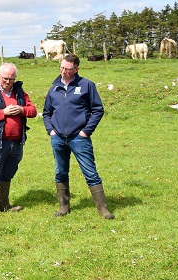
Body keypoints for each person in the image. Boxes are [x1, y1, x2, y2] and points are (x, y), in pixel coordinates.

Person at [43, 54, 114, 219]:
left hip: (79, 138)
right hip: (58, 138)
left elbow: (98, 110)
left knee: (90, 172)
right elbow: (47, 112)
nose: (63, 72)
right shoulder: (54, 88)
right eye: (61, 68)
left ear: (76, 69)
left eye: (67, 69)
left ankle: (103, 209)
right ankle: (63, 206)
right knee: (60, 172)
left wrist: (86, 131)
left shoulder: (86, 85)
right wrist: (51, 130)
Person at [0, 63, 37, 218]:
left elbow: (33, 111)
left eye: (11, 79)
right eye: (5, 78)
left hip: (17, 142)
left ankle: (3, 204)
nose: (8, 81)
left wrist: (22, 110)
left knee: (8, 172)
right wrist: (3, 112)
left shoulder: (19, 93)